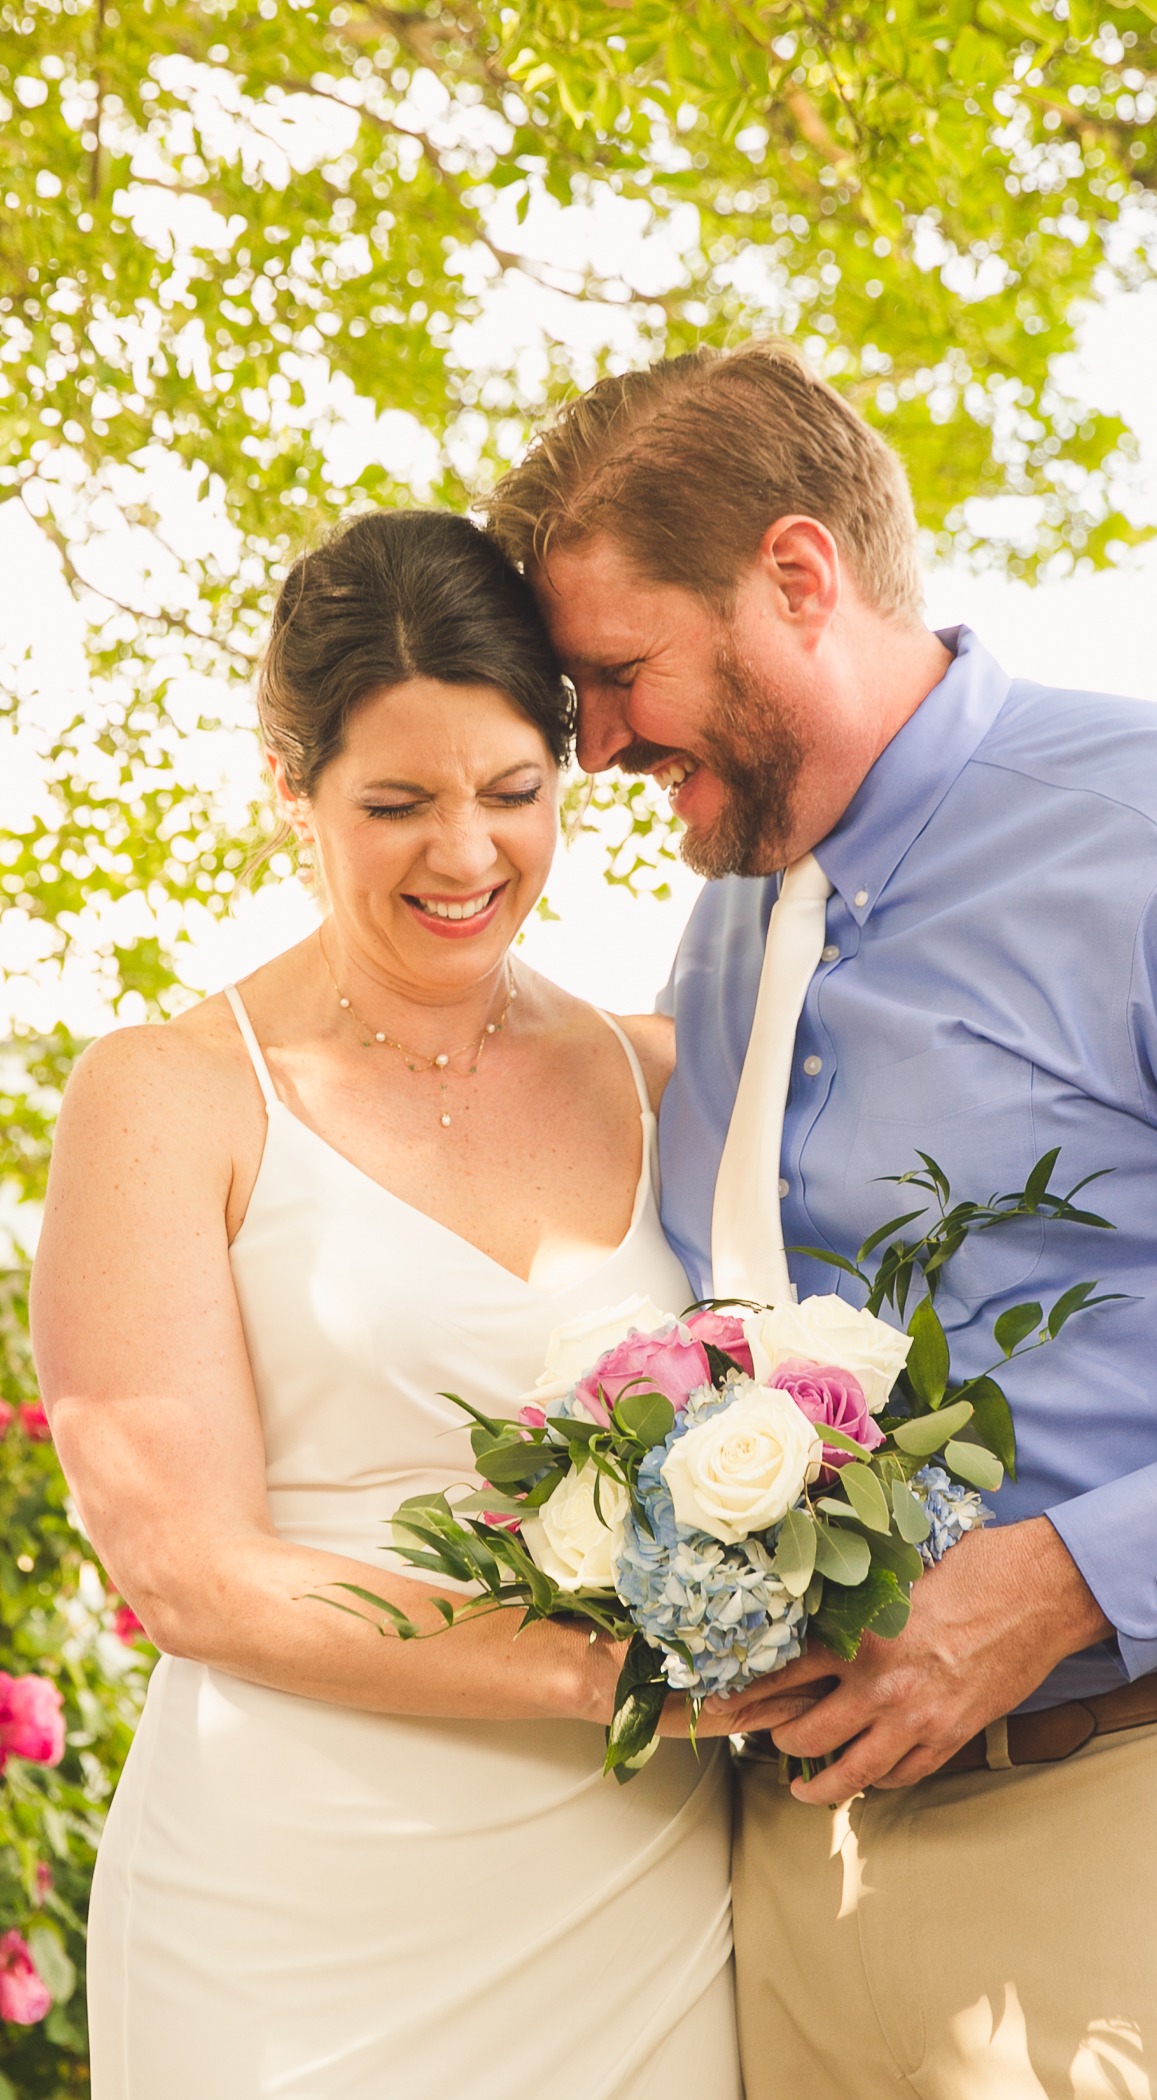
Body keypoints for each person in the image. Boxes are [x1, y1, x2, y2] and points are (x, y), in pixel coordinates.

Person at [488, 339, 1157, 2099]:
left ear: (798, 576)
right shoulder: (733, 940)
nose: (590, 747)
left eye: (616, 672)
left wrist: (1067, 1583)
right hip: (809, 1890)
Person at [29, 511, 740, 2100]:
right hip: (294, 1916)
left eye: (513, 794)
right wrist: (620, 1674)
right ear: (292, 789)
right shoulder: (167, 1097)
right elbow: (191, 1576)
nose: (468, 856)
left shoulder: (665, 1074)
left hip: (638, 1897)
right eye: (397, 803)